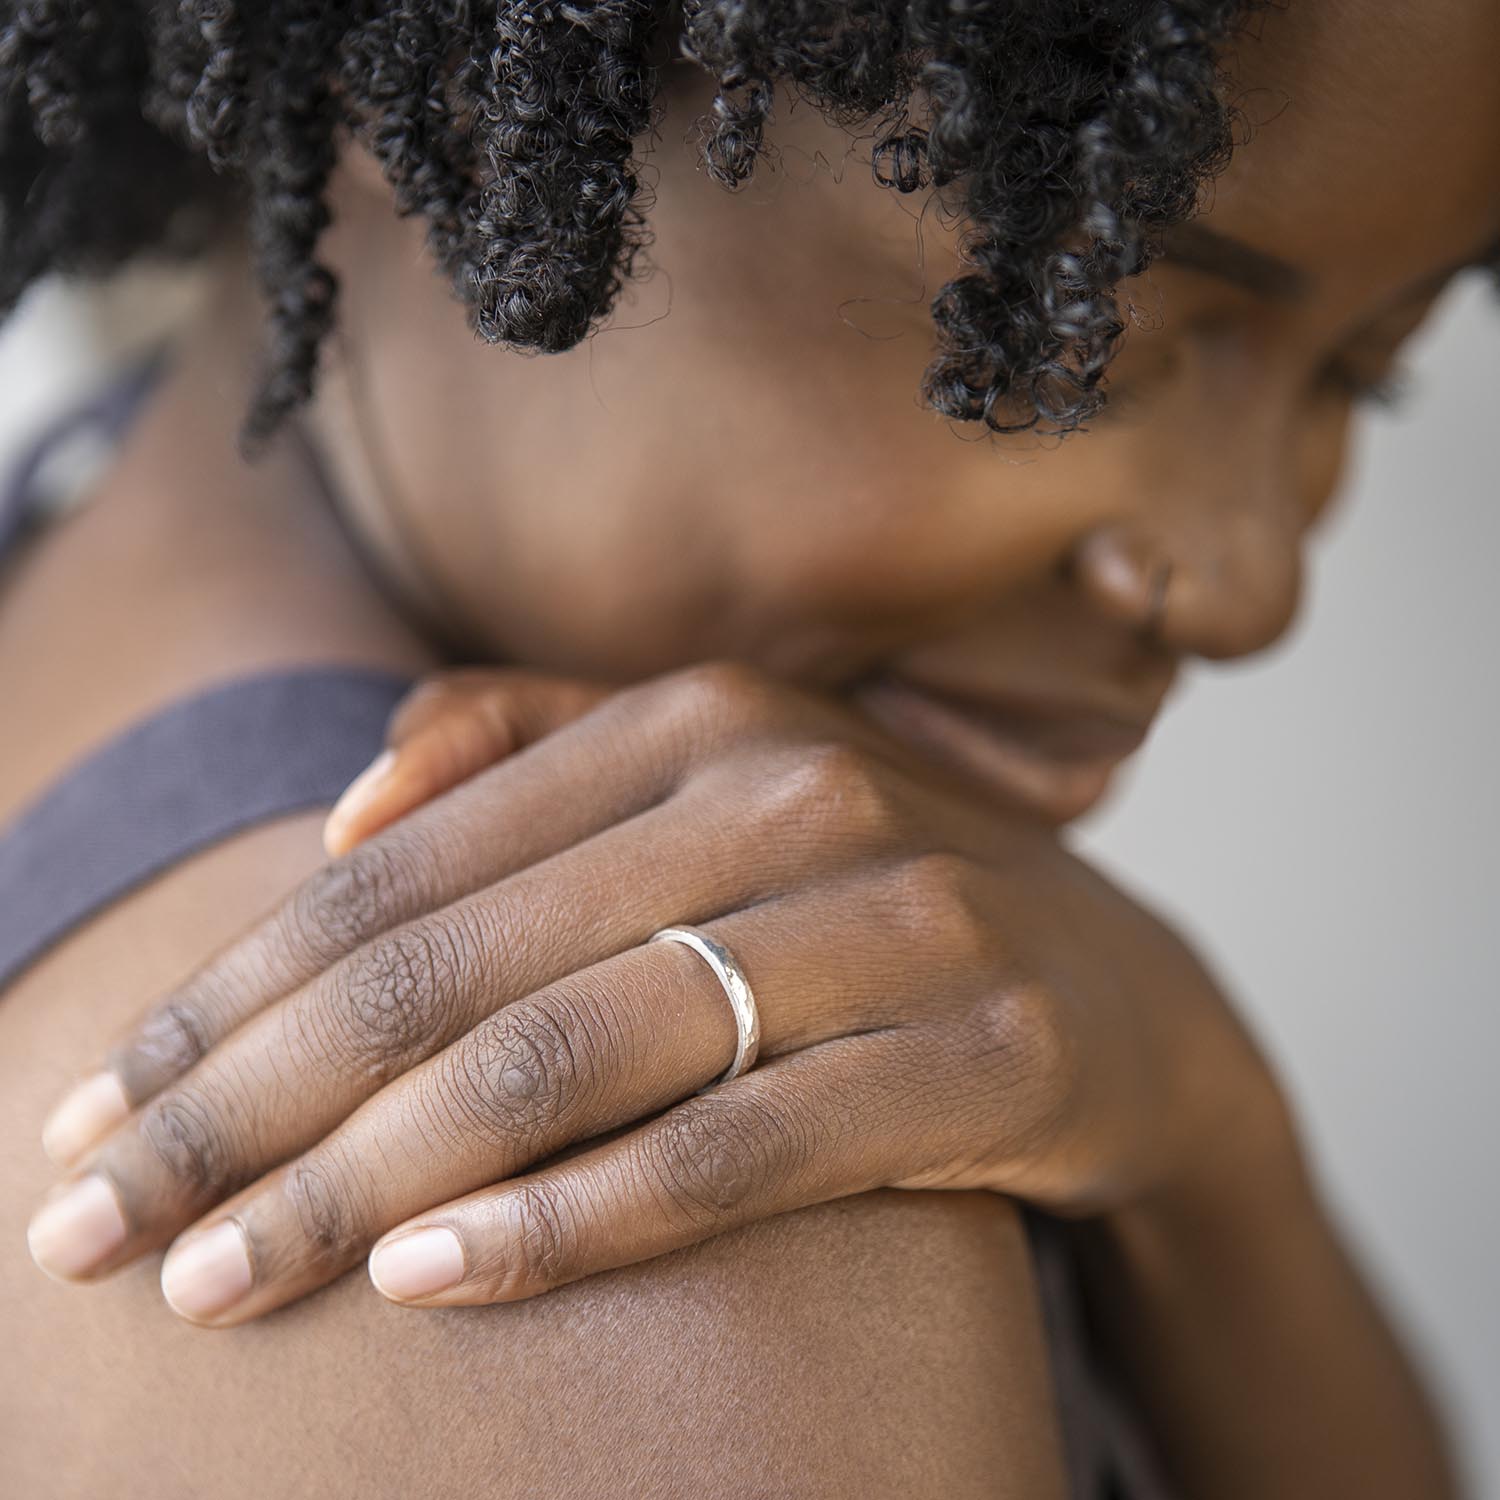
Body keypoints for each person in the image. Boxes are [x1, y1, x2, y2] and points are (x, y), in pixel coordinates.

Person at [1, 1, 1493, 1495]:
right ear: (460, 90)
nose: (1252, 586)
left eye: (1366, 369)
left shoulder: (103, 523)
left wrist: (1207, 1138)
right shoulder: (693, 1298)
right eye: (1093, 328)